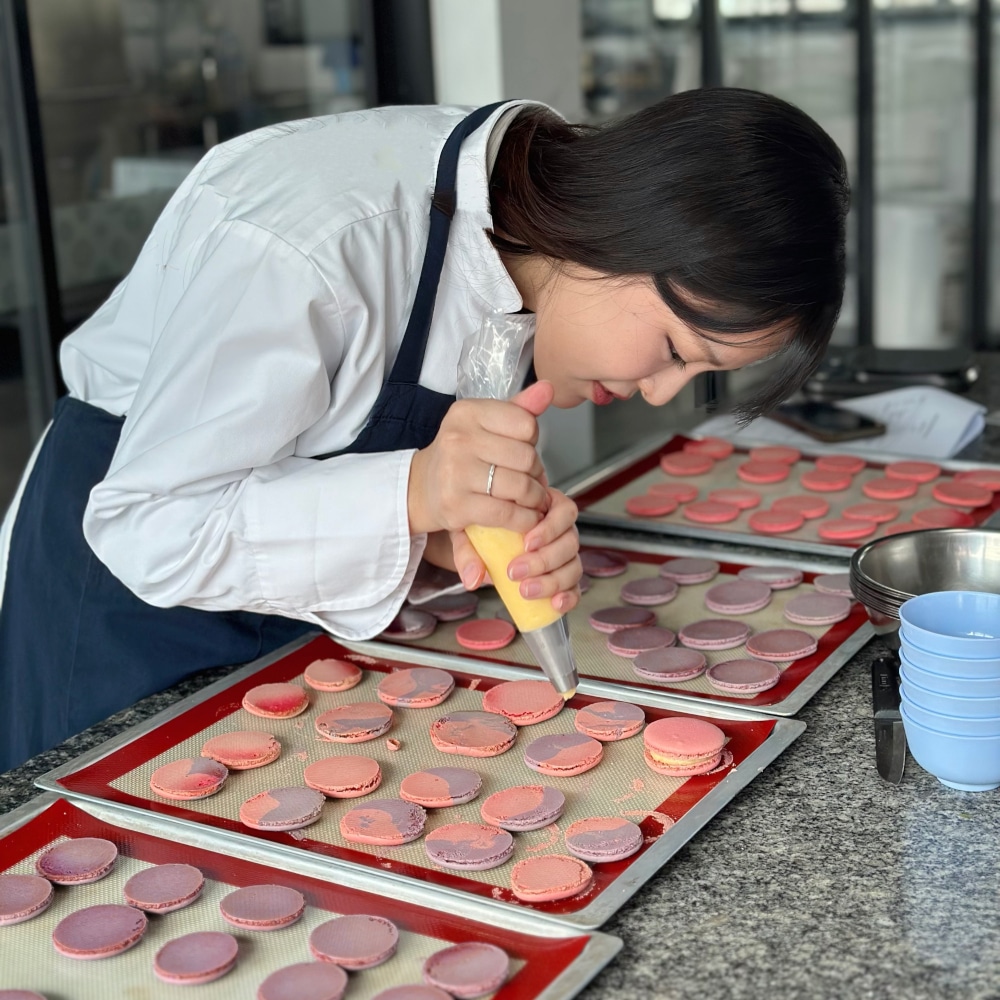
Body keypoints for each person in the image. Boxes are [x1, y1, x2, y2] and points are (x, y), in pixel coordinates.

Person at [0, 88, 849, 772]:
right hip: (117, 593)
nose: (659, 395)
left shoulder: (523, 263)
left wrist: (442, 542)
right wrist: (416, 489)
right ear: (629, 233)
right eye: (674, 349)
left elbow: (347, 484)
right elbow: (156, 528)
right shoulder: (316, 237)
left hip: (281, 610)